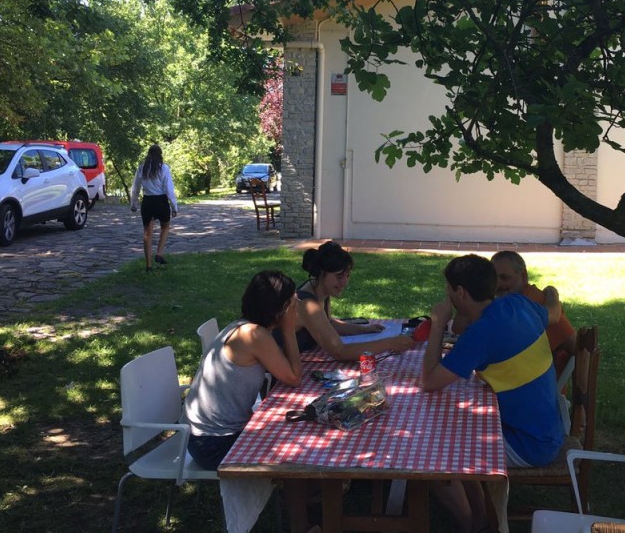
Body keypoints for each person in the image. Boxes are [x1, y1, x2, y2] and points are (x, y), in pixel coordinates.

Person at [421, 254, 565, 533]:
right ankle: (481, 518)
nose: (447, 296)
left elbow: (429, 381)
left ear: (460, 293)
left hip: (529, 445)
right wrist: (551, 293)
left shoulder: (482, 333)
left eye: (448, 290)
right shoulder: (519, 303)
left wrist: (438, 323)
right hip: (548, 430)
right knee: (457, 432)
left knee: (433, 458)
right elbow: (553, 312)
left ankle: (472, 526)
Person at [183, 270, 303, 533]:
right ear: (280, 308)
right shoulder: (254, 335)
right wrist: (289, 328)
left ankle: (303, 505)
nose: (297, 308)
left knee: (293, 427)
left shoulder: (241, 326)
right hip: (213, 443)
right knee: (297, 445)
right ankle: (305, 513)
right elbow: (294, 377)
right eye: (292, 304)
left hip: (201, 435)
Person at [283, 240, 415, 361]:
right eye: (339, 276)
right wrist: (390, 343)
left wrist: (363, 329)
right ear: (321, 273)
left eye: (347, 275)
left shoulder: (320, 288)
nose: (344, 282)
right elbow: (340, 351)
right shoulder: (308, 304)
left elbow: (326, 323)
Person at [130, 144, 178, 271]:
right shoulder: (164, 168)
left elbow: (135, 187)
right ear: (160, 155)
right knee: (165, 226)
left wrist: (133, 203)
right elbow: (169, 189)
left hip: (148, 201)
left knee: (147, 233)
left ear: (148, 154)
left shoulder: (142, 168)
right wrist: (174, 207)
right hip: (161, 201)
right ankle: (159, 253)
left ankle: (148, 265)